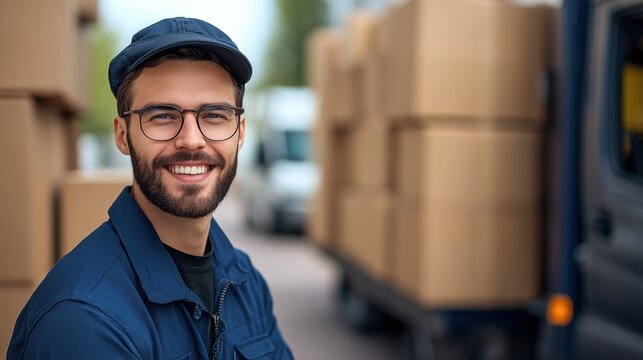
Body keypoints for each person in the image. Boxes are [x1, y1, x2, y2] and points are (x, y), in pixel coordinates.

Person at [8, 17, 294, 359]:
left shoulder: (246, 282)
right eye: (163, 116)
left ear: (241, 132)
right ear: (122, 134)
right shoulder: (84, 318)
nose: (191, 140)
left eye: (214, 115)